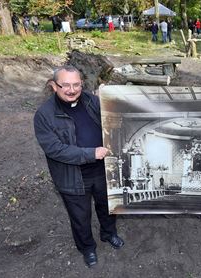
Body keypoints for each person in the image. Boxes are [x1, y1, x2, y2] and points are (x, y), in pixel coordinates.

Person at [33, 65, 125, 268]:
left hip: (103, 170)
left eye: (76, 85)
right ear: (53, 86)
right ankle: (87, 248)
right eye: (65, 85)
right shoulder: (44, 115)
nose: (72, 90)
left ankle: (108, 233)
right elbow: (55, 149)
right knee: (80, 216)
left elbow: (116, 118)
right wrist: (91, 153)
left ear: (82, 84)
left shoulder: (92, 101)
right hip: (72, 176)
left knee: (109, 207)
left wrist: (107, 98)